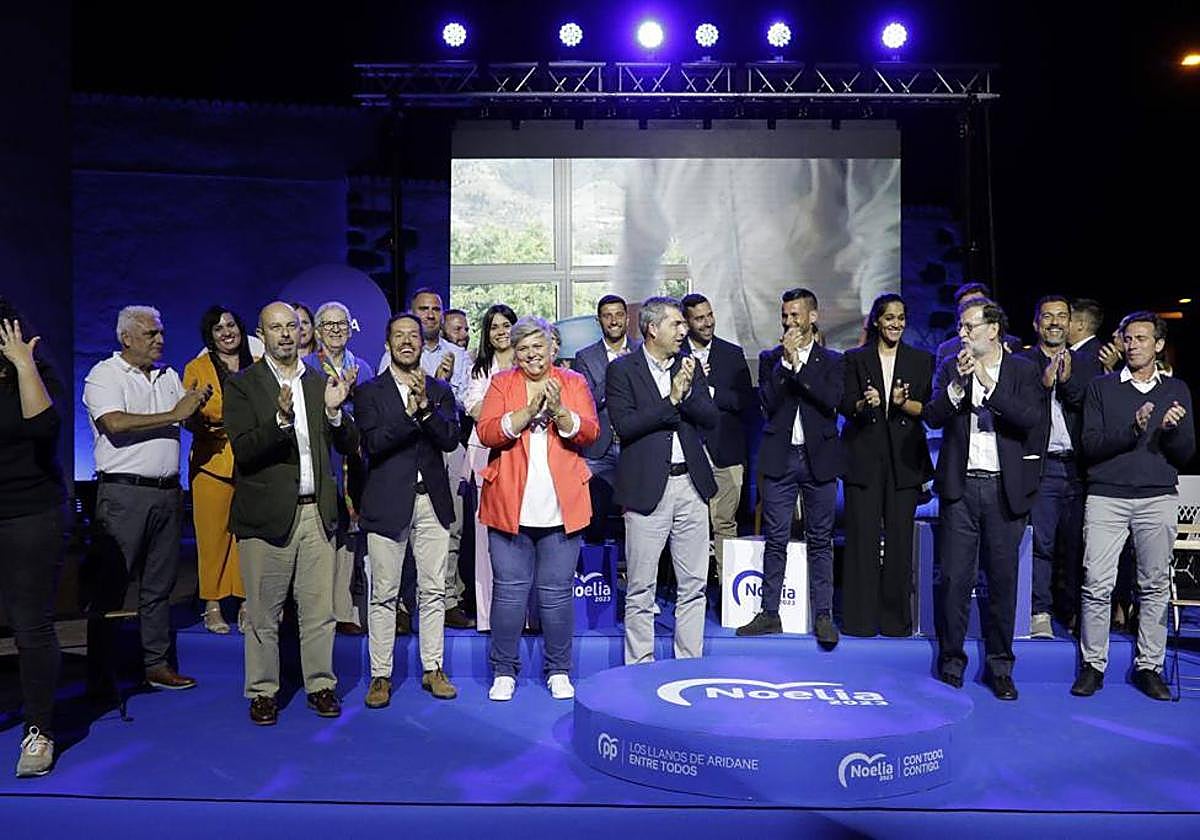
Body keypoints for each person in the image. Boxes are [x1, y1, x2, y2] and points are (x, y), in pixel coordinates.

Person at [223, 301, 359, 725]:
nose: (285, 334)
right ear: (261, 335)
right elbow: (244, 450)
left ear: (303, 332)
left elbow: (349, 443)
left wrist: (336, 411)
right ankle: (263, 691)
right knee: (263, 613)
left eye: (292, 326)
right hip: (266, 518)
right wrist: (281, 420)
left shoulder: (320, 381)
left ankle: (321, 684)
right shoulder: (244, 385)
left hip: (316, 513)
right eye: (275, 328)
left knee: (319, 612)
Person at [609, 158, 901, 355]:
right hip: (722, 362)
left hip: (834, 349)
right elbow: (637, 259)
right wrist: (637, 362)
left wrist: (877, 338)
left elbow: (883, 224)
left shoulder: (824, 110)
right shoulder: (657, 146)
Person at [83, 305, 208, 692]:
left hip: (168, 494)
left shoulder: (169, 375)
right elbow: (114, 424)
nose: (160, 340)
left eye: (161, 332)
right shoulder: (104, 374)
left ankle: (155, 663)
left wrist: (196, 407)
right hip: (124, 493)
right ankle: (100, 671)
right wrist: (174, 414)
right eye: (151, 334)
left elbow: (185, 417)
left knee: (159, 584)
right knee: (112, 583)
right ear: (127, 338)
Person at [923, 299, 1044, 700]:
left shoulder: (1023, 371)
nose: (963, 333)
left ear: (993, 330)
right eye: (960, 326)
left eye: (970, 326)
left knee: (1002, 582)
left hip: (1003, 489)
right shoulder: (950, 368)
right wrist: (960, 386)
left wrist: (988, 387)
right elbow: (934, 416)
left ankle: (1000, 667)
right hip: (961, 488)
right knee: (956, 579)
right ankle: (952, 661)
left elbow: (1029, 420)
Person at [1072, 312, 1195, 701]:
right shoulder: (1101, 387)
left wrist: (1170, 433)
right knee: (1096, 583)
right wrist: (1134, 430)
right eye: (1128, 338)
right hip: (1107, 496)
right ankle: (1093, 665)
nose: (1133, 345)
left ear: (1158, 345)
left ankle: (1149, 667)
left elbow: (1186, 455)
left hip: (1157, 496)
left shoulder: (1176, 389)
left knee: (1154, 584)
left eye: (1142, 338)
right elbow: (1089, 447)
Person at [476, 317, 599, 700]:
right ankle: (504, 670)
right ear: (515, 352)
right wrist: (528, 412)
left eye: (538, 346)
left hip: (562, 508)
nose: (532, 354)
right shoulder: (502, 383)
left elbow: (591, 432)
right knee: (510, 593)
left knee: (557, 593)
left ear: (551, 348)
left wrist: (560, 410)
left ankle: (559, 669)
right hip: (509, 505)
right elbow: (487, 431)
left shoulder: (574, 382)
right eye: (524, 348)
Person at [356, 313, 461, 707]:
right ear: (388, 344)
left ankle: (433, 668)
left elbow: (450, 439)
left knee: (433, 590)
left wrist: (428, 409)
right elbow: (376, 444)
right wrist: (412, 414)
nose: (406, 342)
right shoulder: (369, 392)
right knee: (383, 593)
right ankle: (380, 676)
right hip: (387, 503)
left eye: (413, 336)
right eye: (399, 336)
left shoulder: (439, 390)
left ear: (422, 343)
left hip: (431, 502)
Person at [608, 297, 719, 665]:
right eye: (676, 325)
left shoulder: (688, 367)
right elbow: (625, 426)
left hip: (690, 485)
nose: (683, 330)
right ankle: (639, 666)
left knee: (694, 585)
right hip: (646, 490)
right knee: (641, 587)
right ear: (653, 328)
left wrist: (684, 394)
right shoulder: (623, 370)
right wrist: (670, 400)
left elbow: (709, 417)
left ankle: (688, 661)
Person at [738, 289, 845, 648]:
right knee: (776, 539)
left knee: (820, 540)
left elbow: (831, 402)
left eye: (796, 315)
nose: (789, 322)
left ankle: (823, 615)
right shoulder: (771, 359)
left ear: (813, 317)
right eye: (785, 316)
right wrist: (785, 365)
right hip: (781, 460)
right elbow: (768, 403)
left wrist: (800, 365)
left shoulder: (832, 360)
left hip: (819, 460)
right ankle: (770, 612)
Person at [839, 293, 934, 637]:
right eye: (889, 317)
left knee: (899, 542)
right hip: (863, 460)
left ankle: (896, 622)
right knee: (862, 540)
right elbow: (844, 404)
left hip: (905, 461)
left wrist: (903, 403)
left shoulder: (922, 360)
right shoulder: (854, 359)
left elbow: (928, 409)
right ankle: (859, 621)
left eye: (901, 318)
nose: (895, 323)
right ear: (877, 321)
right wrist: (865, 404)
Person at [0, 303, 66, 777]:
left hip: (29, 514)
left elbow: (43, 428)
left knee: (30, 626)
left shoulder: (35, 367)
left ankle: (39, 730)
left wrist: (22, 363)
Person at [1019, 295, 1102, 638]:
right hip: (1043, 466)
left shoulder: (1088, 364)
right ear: (1037, 323)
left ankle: (1072, 612)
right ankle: (1040, 611)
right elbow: (1019, 410)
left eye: (1062, 316)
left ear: (1070, 323)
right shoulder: (1023, 362)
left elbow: (1091, 407)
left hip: (1080, 469)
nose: (1055, 322)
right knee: (1042, 543)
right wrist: (1045, 384)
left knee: (1078, 545)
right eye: (1048, 317)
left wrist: (1066, 382)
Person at [183, 306, 255, 634]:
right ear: (209, 336)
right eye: (218, 328)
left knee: (247, 536)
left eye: (231, 325)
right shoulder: (196, 368)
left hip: (252, 462)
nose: (227, 332)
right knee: (212, 537)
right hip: (212, 462)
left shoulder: (257, 365)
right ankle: (211, 605)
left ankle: (244, 602)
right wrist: (201, 414)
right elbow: (188, 418)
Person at [304, 300, 372, 636]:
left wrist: (353, 391)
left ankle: (344, 609)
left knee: (349, 535)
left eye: (341, 324)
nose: (335, 330)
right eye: (328, 325)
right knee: (320, 533)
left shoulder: (363, 367)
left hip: (353, 457)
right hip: (320, 456)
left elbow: (370, 411)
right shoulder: (306, 366)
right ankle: (316, 611)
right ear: (317, 332)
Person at [680, 293, 754, 591]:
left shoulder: (731, 354)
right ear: (686, 322)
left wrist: (707, 390)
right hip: (687, 452)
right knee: (688, 528)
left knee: (725, 523)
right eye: (699, 318)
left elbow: (745, 401)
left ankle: (728, 593)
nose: (707, 322)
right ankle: (691, 592)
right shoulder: (674, 355)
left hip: (726, 451)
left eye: (709, 315)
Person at [462, 304, 517, 631]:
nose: (500, 331)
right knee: (484, 539)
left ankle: (524, 616)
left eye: (506, 325)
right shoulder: (480, 367)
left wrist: (497, 410)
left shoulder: (528, 363)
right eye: (494, 326)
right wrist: (513, 410)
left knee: (521, 535)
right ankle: (488, 617)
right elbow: (474, 408)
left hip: (523, 455)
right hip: (484, 453)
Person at [572, 295, 638, 543]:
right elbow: (587, 402)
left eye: (619, 314)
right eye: (607, 315)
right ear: (598, 320)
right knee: (592, 514)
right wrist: (616, 370)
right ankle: (595, 574)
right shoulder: (585, 357)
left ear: (626, 318)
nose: (614, 321)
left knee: (638, 516)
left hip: (635, 445)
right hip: (599, 448)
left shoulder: (642, 351)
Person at [936, 283, 1023, 362]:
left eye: (978, 304)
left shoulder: (1011, 344)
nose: (971, 310)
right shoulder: (947, 351)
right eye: (966, 306)